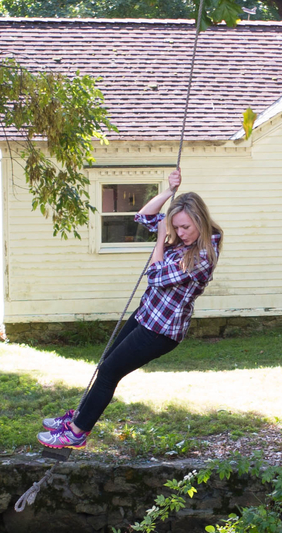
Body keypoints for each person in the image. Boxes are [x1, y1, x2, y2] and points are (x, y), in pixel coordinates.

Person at [39, 167, 222, 450]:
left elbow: (156, 276)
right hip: (146, 315)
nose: (181, 233)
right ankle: (79, 417)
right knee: (105, 367)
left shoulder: (202, 256)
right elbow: (145, 217)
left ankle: (77, 432)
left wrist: (162, 238)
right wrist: (169, 193)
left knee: (110, 371)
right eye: (177, 227)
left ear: (200, 220)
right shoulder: (184, 236)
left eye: (186, 227)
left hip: (160, 331)